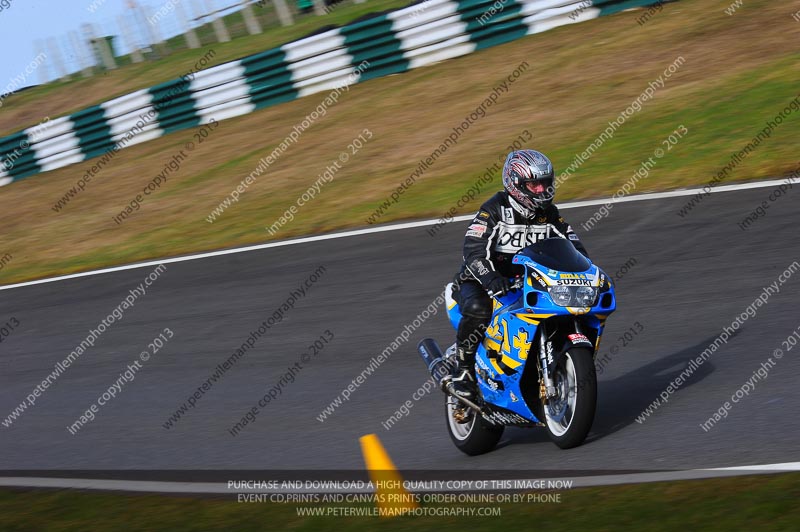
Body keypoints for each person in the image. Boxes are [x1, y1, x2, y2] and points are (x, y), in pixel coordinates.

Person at [443, 149, 589, 399]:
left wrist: (587, 272)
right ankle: (463, 371)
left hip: (526, 283)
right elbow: (473, 251)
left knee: (569, 307)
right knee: (479, 308)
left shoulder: (549, 214)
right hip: (479, 280)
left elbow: (575, 247)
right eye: (534, 184)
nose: (541, 190)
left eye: (545, 184)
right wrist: (491, 279)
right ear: (515, 184)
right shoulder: (494, 210)